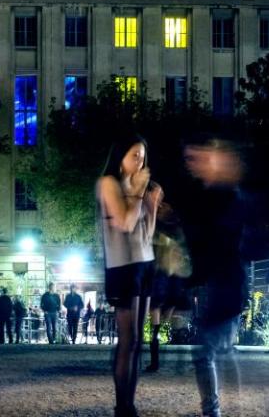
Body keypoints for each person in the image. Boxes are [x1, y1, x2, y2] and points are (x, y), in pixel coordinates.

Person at [178, 136, 249, 417]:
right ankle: (215, 409)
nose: (192, 163)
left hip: (226, 283)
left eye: (197, 157)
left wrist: (192, 276)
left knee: (209, 351)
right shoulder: (212, 195)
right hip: (222, 283)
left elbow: (216, 243)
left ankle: (214, 410)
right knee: (217, 350)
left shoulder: (225, 195)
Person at [96, 134, 159, 417]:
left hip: (145, 263)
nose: (140, 161)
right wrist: (136, 193)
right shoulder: (108, 184)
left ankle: (129, 404)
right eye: (134, 155)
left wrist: (152, 204)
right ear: (120, 157)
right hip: (122, 267)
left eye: (143, 156)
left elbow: (147, 232)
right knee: (128, 338)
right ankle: (123, 406)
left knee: (138, 342)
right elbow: (124, 222)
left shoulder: (140, 188)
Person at [145, 199, 191, 372]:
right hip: (167, 278)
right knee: (162, 322)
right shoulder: (175, 229)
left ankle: (159, 362)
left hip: (164, 278)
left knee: (162, 322)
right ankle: (165, 362)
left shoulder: (164, 229)